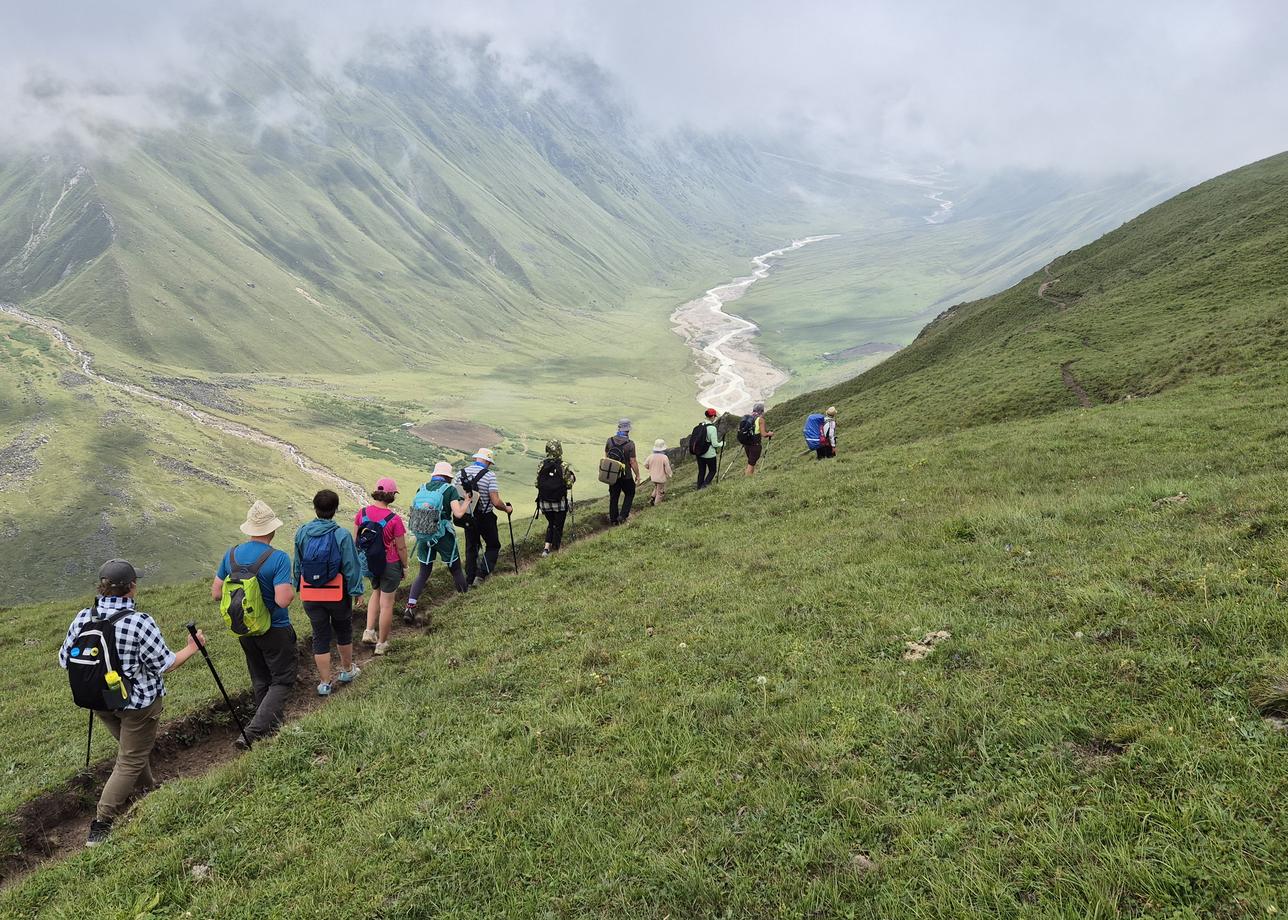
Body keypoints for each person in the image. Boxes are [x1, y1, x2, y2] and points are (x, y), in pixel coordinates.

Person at [59, 559, 205, 846]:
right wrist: (192, 647)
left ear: (102, 586)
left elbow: (64, 659)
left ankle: (149, 790)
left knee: (132, 752)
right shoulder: (139, 621)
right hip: (138, 704)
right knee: (131, 758)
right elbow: (165, 664)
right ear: (132, 587)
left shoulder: (83, 617)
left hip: (100, 701)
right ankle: (101, 824)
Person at [212, 500, 297, 746]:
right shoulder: (278, 558)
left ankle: (269, 728)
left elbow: (217, 593)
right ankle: (255, 731)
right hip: (275, 628)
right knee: (282, 679)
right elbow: (283, 600)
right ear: (272, 530)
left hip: (245, 629)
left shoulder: (231, 555)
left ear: (249, 530)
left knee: (261, 679)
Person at [292, 489, 364, 696]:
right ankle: (347, 671)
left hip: (311, 595)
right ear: (335, 509)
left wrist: (298, 585)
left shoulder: (302, 532)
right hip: (337, 594)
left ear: (315, 508)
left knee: (319, 635)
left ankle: (324, 683)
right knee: (343, 631)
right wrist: (357, 590)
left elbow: (298, 563)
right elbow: (351, 566)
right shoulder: (341, 534)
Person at [405, 461, 471, 621]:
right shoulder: (450, 490)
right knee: (455, 569)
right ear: (448, 477)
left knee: (423, 572)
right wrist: (467, 501)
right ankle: (466, 599)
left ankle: (409, 607)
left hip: (424, 535)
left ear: (434, 475)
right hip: (443, 536)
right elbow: (459, 514)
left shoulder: (421, 488)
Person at [355, 478, 408, 655]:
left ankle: (369, 631)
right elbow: (401, 547)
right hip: (389, 564)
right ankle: (382, 644)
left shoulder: (361, 513)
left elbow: (357, 540)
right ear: (391, 495)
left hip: (369, 563)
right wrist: (405, 566)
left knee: (375, 593)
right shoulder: (394, 519)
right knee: (387, 604)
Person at [459, 448, 512, 587]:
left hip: (467, 516)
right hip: (485, 516)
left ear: (477, 458)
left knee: (471, 547)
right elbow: (495, 501)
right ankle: (481, 575)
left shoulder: (461, 473)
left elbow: (456, 496)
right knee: (493, 545)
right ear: (488, 461)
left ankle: (469, 579)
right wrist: (506, 508)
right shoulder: (490, 476)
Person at [535, 440, 576, 555]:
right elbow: (568, 484)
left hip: (544, 503)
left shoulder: (541, 465)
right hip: (559, 503)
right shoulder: (563, 466)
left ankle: (546, 548)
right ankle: (555, 550)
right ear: (559, 450)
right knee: (558, 526)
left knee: (551, 523)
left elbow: (537, 484)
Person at [605, 418, 640, 524]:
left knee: (614, 496)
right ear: (628, 430)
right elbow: (633, 461)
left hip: (613, 474)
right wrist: (637, 475)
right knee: (630, 493)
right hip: (626, 475)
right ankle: (623, 516)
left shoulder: (609, 441)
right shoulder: (630, 444)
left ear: (619, 427)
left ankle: (613, 519)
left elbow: (606, 456)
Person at [743, 402, 774, 475]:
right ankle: (747, 481)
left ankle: (750, 476)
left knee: (751, 462)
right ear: (761, 411)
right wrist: (770, 434)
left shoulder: (748, 418)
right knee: (751, 464)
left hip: (747, 444)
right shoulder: (760, 419)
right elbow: (763, 434)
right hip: (755, 445)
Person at [696, 408, 723, 490]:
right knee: (712, 471)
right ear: (712, 417)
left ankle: (699, 487)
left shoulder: (701, 425)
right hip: (709, 454)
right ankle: (704, 487)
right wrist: (722, 444)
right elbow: (715, 443)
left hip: (699, 453)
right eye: (714, 416)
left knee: (701, 471)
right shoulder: (712, 428)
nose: (715, 418)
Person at [643, 438, 673, 505]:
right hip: (661, 478)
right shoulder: (664, 457)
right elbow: (667, 467)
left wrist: (650, 468)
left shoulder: (651, 456)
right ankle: (657, 505)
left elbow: (645, 464)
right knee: (660, 492)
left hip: (653, 477)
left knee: (656, 487)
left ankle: (652, 498)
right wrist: (670, 474)